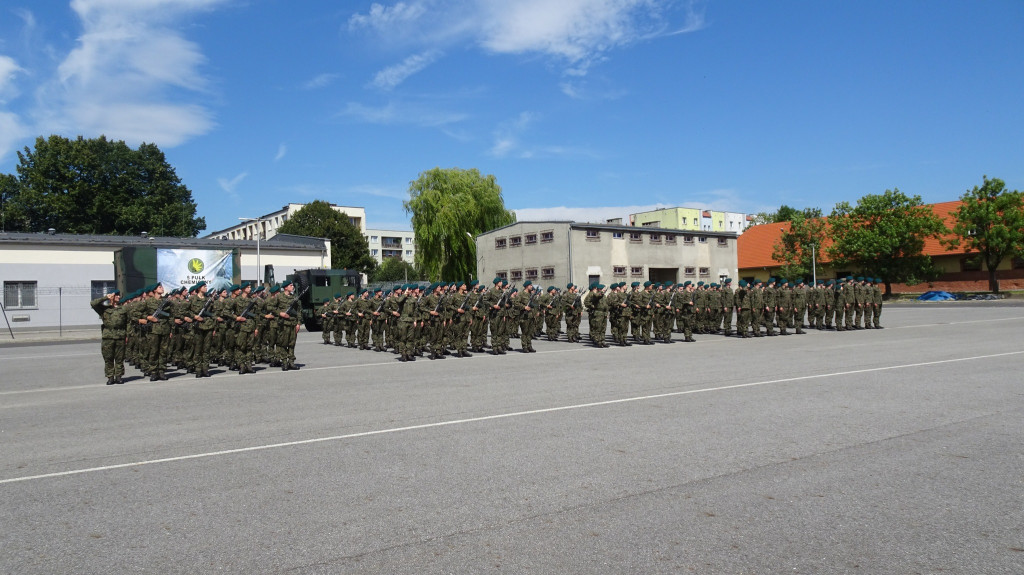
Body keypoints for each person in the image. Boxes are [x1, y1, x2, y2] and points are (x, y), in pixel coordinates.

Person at [91, 289, 128, 384]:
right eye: (116, 295)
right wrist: (105, 297)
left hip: (120, 336)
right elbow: (93, 303)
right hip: (108, 337)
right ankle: (110, 377)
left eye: (119, 295)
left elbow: (127, 323)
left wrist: (127, 335)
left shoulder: (123, 309)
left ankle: (119, 376)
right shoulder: (104, 309)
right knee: (108, 358)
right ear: (112, 296)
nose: (119, 297)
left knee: (120, 358)